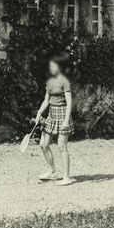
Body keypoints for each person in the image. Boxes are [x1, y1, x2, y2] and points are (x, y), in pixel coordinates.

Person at [34, 51, 75, 186]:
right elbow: (46, 100)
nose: (51, 69)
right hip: (52, 114)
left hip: (63, 114)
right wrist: (39, 113)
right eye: (50, 66)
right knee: (43, 144)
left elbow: (69, 102)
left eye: (54, 66)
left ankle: (66, 177)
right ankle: (52, 171)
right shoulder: (50, 81)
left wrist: (65, 121)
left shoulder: (65, 81)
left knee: (62, 146)